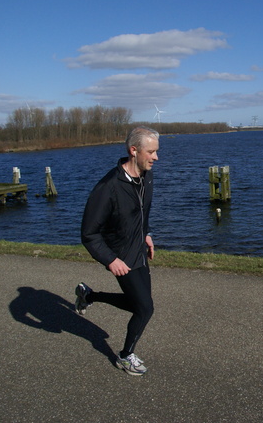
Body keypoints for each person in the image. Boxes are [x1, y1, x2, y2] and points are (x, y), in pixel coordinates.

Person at [75, 125, 159, 376]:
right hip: (121, 255)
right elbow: (89, 234)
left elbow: (142, 209)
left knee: (138, 305)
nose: (156, 157)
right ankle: (125, 356)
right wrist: (111, 260)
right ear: (134, 150)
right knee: (145, 308)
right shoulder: (108, 187)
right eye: (151, 152)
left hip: (139, 250)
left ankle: (89, 296)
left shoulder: (147, 175)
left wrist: (146, 233)